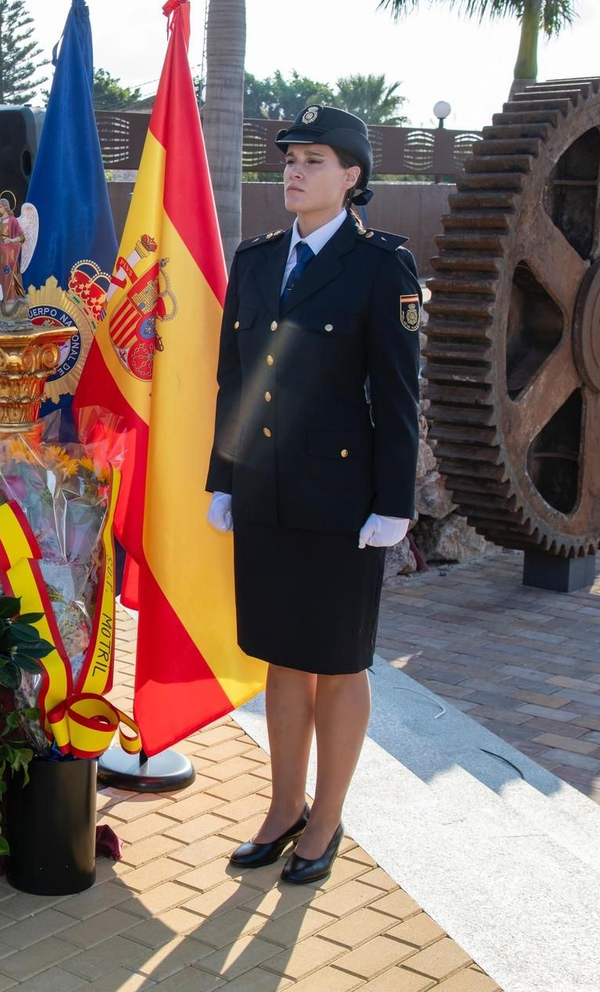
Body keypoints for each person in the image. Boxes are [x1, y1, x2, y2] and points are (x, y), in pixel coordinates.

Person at [207, 105, 421, 884]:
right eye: (290, 159)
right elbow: (234, 381)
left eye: (315, 160)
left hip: (341, 502)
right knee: (282, 660)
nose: (293, 171)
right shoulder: (257, 261)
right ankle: (281, 805)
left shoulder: (379, 266)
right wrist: (222, 477)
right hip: (264, 492)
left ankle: (325, 818)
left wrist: (393, 503)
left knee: (337, 661)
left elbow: (398, 396)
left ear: (353, 177)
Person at [0, 195, 26, 317]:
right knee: (3, 275)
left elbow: (22, 237)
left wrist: (11, 240)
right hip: (1, 250)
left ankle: (13, 297)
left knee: (11, 272)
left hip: (10, 251)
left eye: (0, 207)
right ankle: (6, 297)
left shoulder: (12, 220)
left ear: (5, 207)